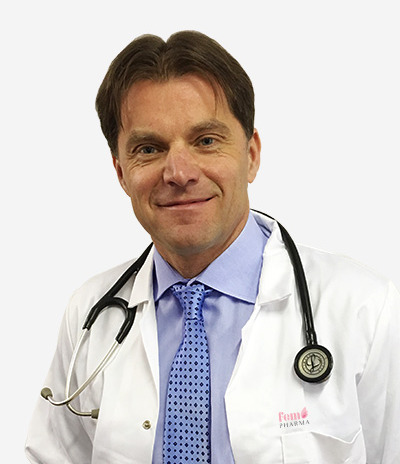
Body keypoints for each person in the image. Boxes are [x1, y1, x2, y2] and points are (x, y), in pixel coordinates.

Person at [25, 30, 400, 464]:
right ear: (122, 172)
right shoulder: (89, 314)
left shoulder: (365, 309)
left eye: (206, 141)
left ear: (251, 154)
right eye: (149, 149)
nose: (179, 172)